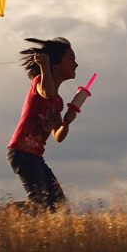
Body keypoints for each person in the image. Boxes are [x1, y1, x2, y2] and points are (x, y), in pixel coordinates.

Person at [6, 37, 86, 212]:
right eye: (71, 58)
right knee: (40, 205)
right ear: (56, 64)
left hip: (35, 156)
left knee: (57, 203)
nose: (76, 64)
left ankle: (3, 215)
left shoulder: (58, 102)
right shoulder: (39, 83)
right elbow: (47, 92)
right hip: (21, 152)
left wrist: (67, 120)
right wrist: (43, 65)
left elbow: (58, 136)